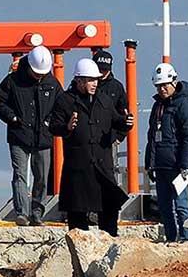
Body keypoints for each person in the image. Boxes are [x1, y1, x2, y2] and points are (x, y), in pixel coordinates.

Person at [48, 58, 134, 235]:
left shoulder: (104, 100)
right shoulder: (65, 100)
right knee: (77, 214)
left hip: (102, 165)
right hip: (78, 166)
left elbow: (117, 120)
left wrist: (126, 122)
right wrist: (67, 127)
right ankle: (78, 248)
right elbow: (54, 126)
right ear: (79, 81)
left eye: (96, 80)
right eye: (91, 80)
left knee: (109, 208)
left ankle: (109, 242)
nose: (95, 83)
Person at [0, 45, 62, 225]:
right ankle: (22, 213)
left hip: (43, 137)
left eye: (42, 73)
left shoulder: (53, 83)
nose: (39, 76)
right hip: (19, 134)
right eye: (36, 72)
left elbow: (61, 105)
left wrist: (49, 122)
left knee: (42, 176)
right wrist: (12, 117)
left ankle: (37, 213)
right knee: (20, 174)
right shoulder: (12, 81)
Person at [145, 62, 188, 243]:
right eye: (158, 86)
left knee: (181, 205)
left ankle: (186, 239)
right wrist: (149, 163)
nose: (162, 89)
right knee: (164, 206)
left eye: (165, 85)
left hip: (176, 166)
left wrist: (185, 164)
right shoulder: (158, 106)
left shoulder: (184, 105)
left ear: (174, 82)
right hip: (161, 166)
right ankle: (170, 238)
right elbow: (152, 136)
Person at [93, 49, 129, 143]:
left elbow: (124, 112)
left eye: (105, 70)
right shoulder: (84, 84)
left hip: (108, 138)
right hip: (86, 138)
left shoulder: (116, 87)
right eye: (99, 69)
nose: (102, 72)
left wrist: (119, 136)